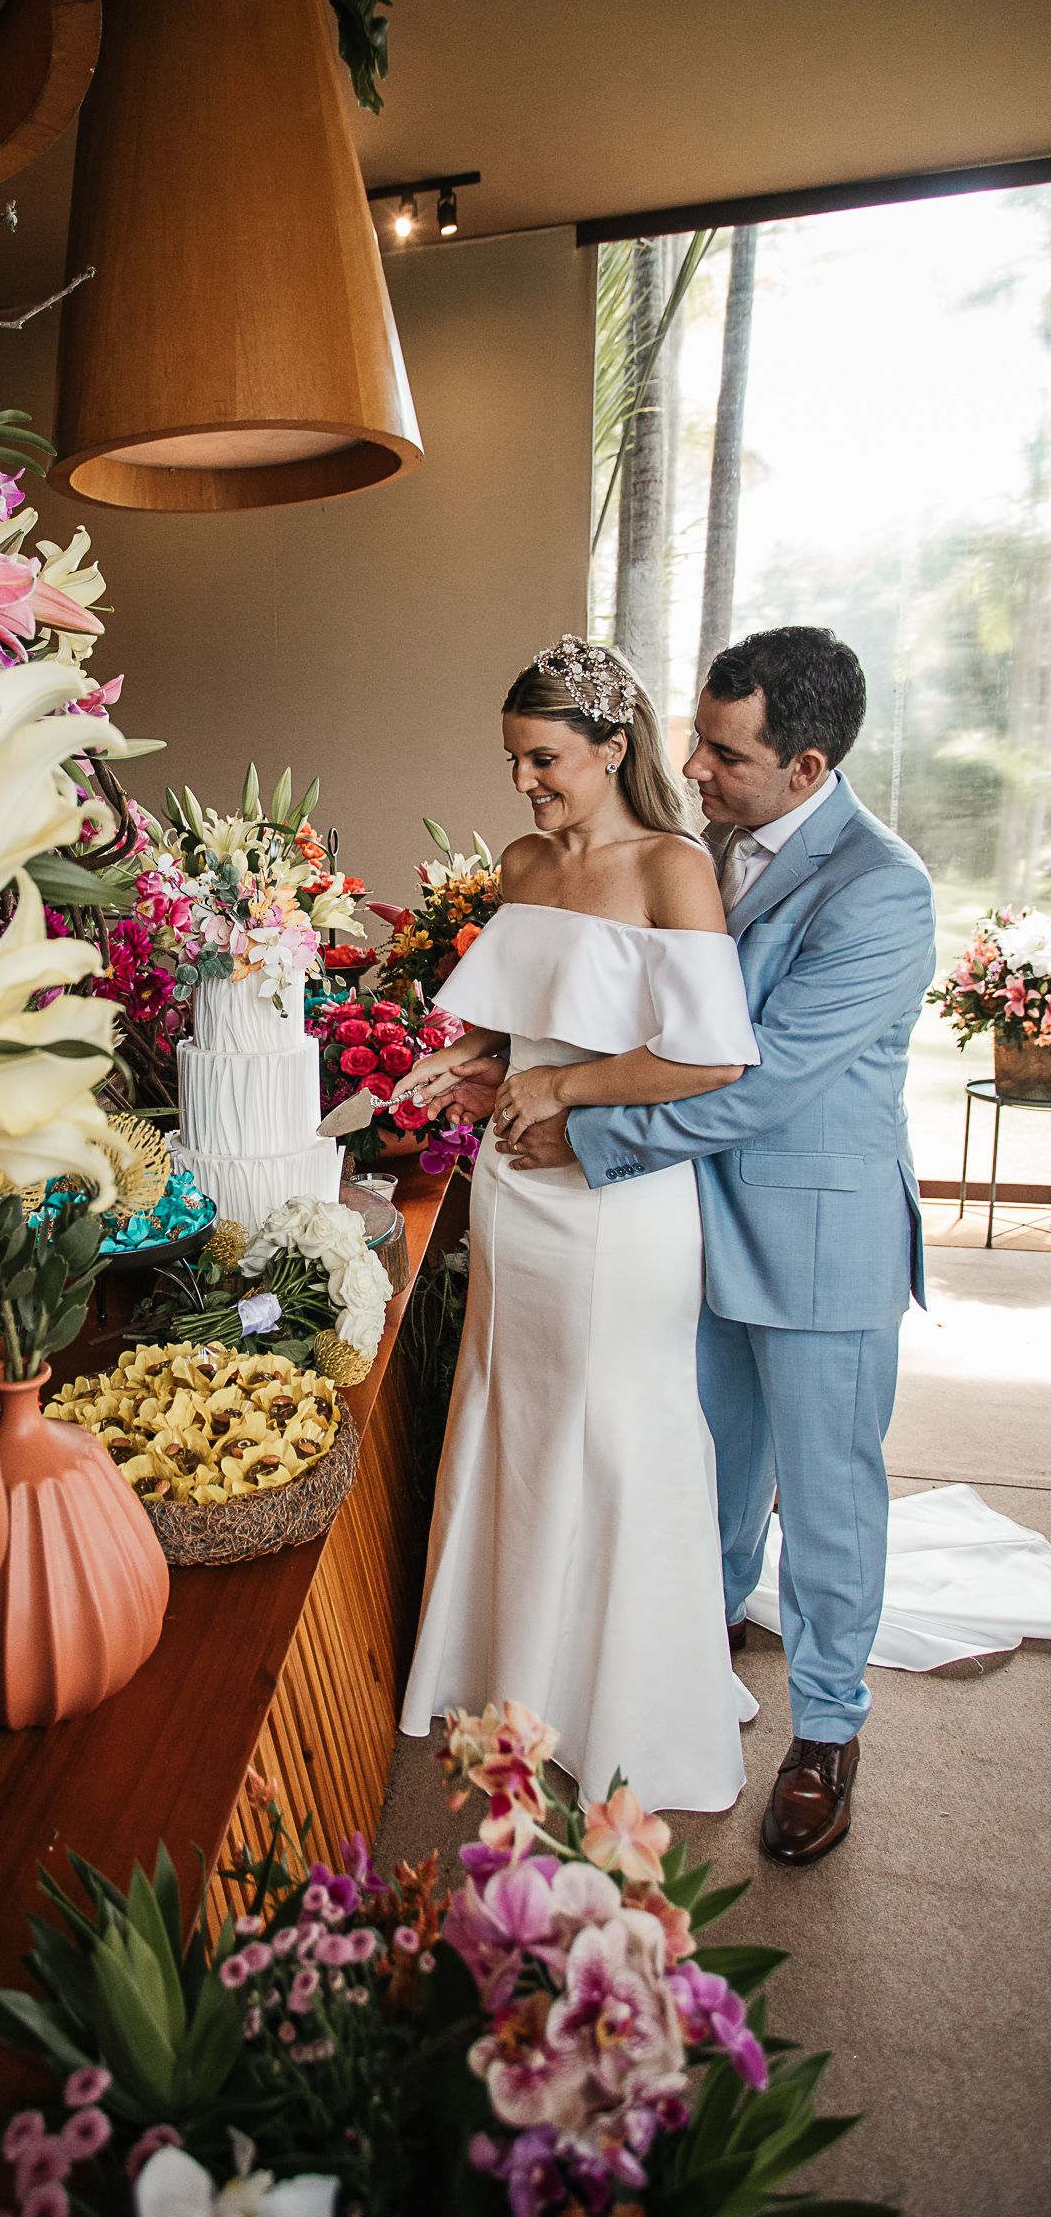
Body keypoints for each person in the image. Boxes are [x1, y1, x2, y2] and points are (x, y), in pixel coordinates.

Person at [431, 625, 935, 1867]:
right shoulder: (695, 850)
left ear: (806, 766)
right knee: (700, 1475)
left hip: (810, 1232)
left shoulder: (882, 887)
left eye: (724, 751)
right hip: (687, 1222)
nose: (693, 765)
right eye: (696, 739)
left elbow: (759, 1081)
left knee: (825, 1498)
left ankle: (826, 1733)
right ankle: (666, 1670)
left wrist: (580, 1123)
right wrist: (504, 1061)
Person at [398, 635, 760, 1813]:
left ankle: (630, 1709)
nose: (525, 783)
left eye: (545, 758)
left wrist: (562, 1088)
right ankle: (512, 1678)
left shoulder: (672, 869)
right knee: (510, 1405)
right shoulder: (520, 860)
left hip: (617, 1210)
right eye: (512, 760)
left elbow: (709, 1057)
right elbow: (530, 1023)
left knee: (614, 1424)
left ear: (612, 748)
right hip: (513, 1192)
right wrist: (474, 1060)